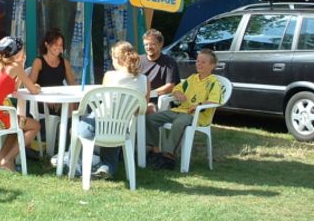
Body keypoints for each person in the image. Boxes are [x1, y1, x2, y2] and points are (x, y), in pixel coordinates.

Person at [77, 41, 149, 179]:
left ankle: (78, 164)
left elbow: (102, 98)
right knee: (113, 128)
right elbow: (142, 108)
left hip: (102, 119)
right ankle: (107, 167)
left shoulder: (110, 75)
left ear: (119, 59)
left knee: (79, 127)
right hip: (122, 125)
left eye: (112, 59)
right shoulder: (145, 80)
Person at [146, 48, 222, 170]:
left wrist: (199, 104)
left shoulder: (213, 83)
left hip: (196, 116)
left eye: (203, 62)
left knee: (179, 123)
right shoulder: (192, 78)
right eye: (198, 61)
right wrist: (177, 94)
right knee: (150, 118)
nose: (199, 64)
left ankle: (169, 156)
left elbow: (214, 101)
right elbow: (177, 88)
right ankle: (156, 151)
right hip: (180, 110)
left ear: (212, 65)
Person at [0, 36, 41, 172]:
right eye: (22, 50)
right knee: (35, 126)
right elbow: (33, 90)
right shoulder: (14, 66)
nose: (24, 53)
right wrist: (36, 86)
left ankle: (0, 157)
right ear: (16, 52)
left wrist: (21, 68)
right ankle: (8, 159)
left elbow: (14, 88)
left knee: (17, 126)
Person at [29, 28, 76, 114]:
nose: (58, 47)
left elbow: (73, 85)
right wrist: (45, 96)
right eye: (55, 44)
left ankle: (72, 126)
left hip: (60, 101)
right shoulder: (38, 62)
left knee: (73, 103)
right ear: (46, 44)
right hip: (42, 102)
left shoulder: (65, 63)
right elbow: (30, 84)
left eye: (61, 45)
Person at [139, 28, 180, 114]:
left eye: (152, 44)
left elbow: (170, 86)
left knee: (149, 110)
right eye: (146, 44)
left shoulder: (169, 62)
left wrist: (148, 94)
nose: (148, 47)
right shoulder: (138, 60)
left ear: (160, 44)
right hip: (137, 98)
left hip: (157, 100)